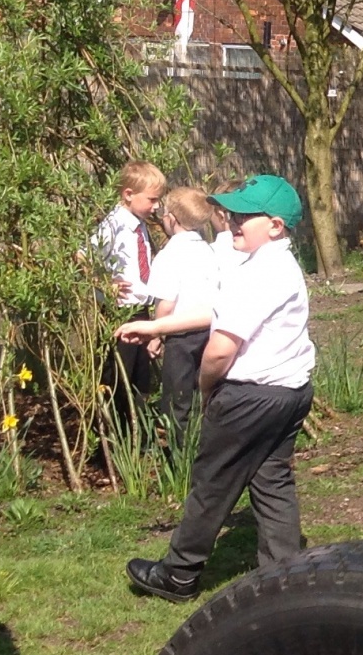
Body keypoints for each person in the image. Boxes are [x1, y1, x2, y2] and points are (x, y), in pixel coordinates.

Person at [123, 175, 315, 602]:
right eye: (233, 212)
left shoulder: (264, 272)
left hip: (251, 397)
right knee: (272, 481)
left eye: (245, 215)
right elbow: (216, 309)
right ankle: (285, 578)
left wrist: (209, 391)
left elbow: (218, 351)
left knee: (212, 483)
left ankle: (179, 574)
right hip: (290, 392)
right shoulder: (269, 264)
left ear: (276, 226)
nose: (233, 221)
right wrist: (157, 325)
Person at [128, 186, 221, 444]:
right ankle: (203, 444)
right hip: (209, 332)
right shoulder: (208, 251)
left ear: (172, 218)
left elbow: (166, 304)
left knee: (177, 399)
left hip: (179, 337)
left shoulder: (169, 256)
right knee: (203, 392)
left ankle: (180, 455)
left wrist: (156, 335)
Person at [94, 161, 166, 397]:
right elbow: (82, 257)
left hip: (141, 310)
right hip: (120, 311)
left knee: (139, 377)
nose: (156, 207)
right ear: (128, 194)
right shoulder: (113, 225)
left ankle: (137, 423)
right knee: (118, 377)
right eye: (152, 200)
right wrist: (104, 283)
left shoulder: (139, 224)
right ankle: (116, 425)